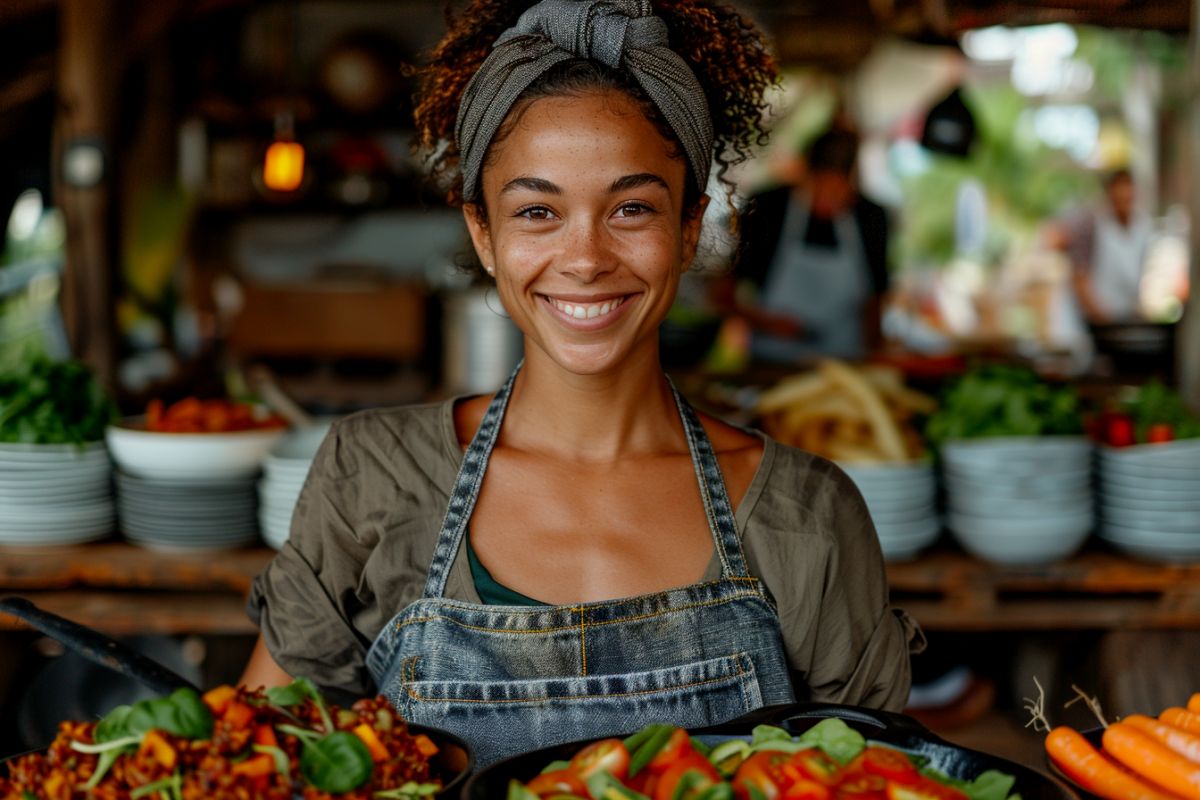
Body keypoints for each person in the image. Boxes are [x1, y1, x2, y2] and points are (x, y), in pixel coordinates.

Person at [242, 0, 922, 766]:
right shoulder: (373, 473)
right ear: (483, 235)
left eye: (632, 208)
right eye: (538, 211)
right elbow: (258, 756)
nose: (587, 258)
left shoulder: (808, 517)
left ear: (691, 227)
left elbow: (874, 778)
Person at [724, 127, 890, 363]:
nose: (828, 201)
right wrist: (765, 322)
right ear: (804, 174)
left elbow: (876, 298)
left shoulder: (870, 217)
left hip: (845, 362)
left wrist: (876, 353)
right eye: (821, 187)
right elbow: (724, 292)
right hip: (770, 360)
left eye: (839, 191)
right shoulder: (768, 208)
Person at [1054, 168, 1151, 324]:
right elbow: (1079, 279)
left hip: (1122, 318)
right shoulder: (1090, 224)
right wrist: (1103, 318)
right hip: (1090, 323)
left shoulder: (1143, 226)